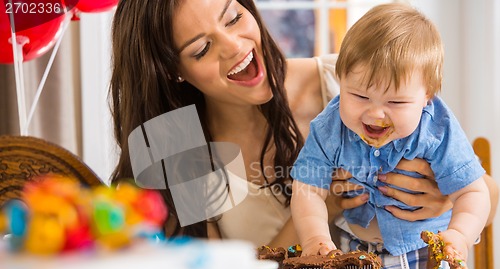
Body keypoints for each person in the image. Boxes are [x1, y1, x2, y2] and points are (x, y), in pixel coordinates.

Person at [108, 0, 498, 252]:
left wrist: (443, 199)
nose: (235, 46)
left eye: (234, 17)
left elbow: (483, 191)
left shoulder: (350, 84)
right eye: (201, 49)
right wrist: (322, 211)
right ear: (172, 71)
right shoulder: (179, 148)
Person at [290, 3, 490, 269]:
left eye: (396, 101)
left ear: (427, 96)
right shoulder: (329, 127)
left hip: (426, 255)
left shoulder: (437, 128)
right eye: (358, 96)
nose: (375, 112)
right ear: (340, 79)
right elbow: (307, 190)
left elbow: (474, 191)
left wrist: (460, 234)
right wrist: (316, 238)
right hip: (356, 256)